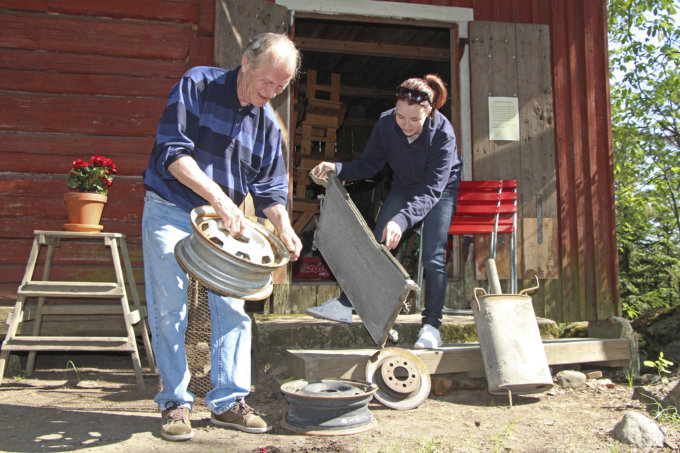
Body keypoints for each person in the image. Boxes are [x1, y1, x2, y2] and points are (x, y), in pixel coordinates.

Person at [142, 33, 302, 442]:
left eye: (281, 87)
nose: (271, 92)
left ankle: (228, 402)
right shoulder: (197, 85)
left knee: (233, 308)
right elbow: (172, 153)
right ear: (246, 62)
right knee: (169, 308)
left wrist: (283, 225)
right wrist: (218, 198)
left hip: (226, 224)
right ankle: (175, 403)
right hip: (171, 208)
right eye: (267, 82)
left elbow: (270, 189)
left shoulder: (267, 124)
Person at [306, 74, 462, 350]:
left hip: (439, 190)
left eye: (415, 119)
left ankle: (432, 326)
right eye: (401, 117)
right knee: (378, 242)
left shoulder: (443, 134)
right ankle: (346, 304)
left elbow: (430, 191)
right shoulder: (386, 123)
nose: (405, 125)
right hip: (403, 183)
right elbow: (369, 165)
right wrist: (338, 169)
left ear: (430, 111)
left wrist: (401, 221)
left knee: (434, 256)